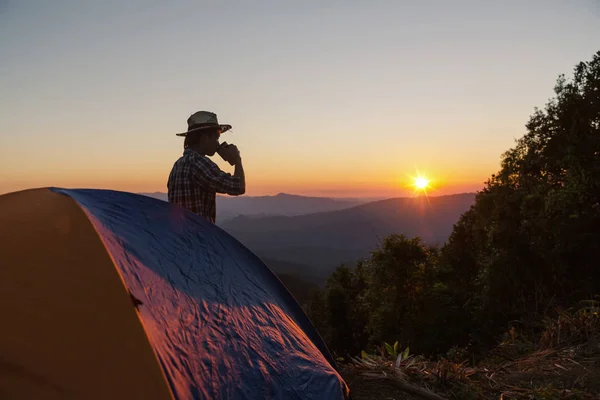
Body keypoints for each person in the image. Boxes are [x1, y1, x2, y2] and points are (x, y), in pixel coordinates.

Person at [167, 110, 245, 223]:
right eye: (216, 138)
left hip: (180, 238)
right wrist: (237, 160)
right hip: (198, 236)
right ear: (204, 139)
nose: (217, 143)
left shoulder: (177, 165)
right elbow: (238, 187)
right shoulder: (199, 163)